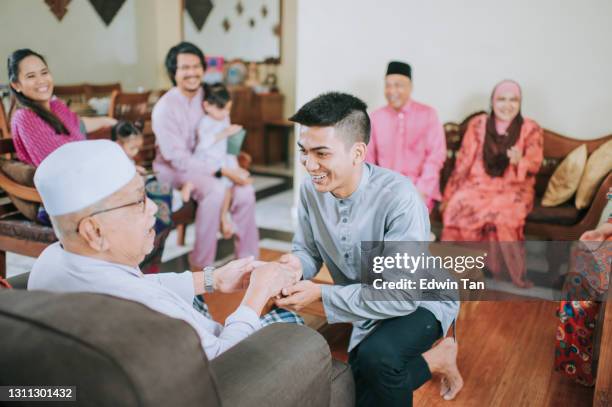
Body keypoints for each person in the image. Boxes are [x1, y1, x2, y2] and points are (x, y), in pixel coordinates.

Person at [28, 140, 301, 359]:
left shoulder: (51, 260)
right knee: (291, 321)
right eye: (138, 201)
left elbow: (137, 283)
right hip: (221, 373)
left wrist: (213, 279)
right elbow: (226, 363)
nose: (153, 208)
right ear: (94, 231)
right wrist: (257, 293)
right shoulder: (146, 310)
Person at [274, 92, 462, 406]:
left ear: (358, 152)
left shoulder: (399, 198)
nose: (309, 164)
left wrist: (321, 295)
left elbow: (401, 297)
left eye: (321, 153)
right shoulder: (310, 190)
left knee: (379, 360)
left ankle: (438, 353)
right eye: (303, 152)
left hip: (420, 299)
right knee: (360, 386)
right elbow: (307, 250)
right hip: (365, 299)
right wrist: (292, 266)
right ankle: (437, 360)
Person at [152, 42, 258, 269]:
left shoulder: (209, 96)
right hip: (173, 170)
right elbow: (177, 158)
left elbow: (226, 133)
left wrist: (233, 164)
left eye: (196, 66)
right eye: (184, 68)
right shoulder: (164, 108)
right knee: (215, 189)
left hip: (210, 164)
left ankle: (248, 263)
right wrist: (221, 171)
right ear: (174, 72)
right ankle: (201, 269)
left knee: (246, 191)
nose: (192, 73)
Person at [440, 80, 543, 288]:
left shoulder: (530, 128)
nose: (507, 105)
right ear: (493, 102)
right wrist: (450, 193)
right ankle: (459, 266)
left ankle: (496, 270)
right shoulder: (478, 124)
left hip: (514, 186)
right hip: (478, 183)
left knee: (503, 212)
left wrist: (518, 161)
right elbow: (464, 161)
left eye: (513, 100)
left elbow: (534, 163)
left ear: (520, 103)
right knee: (458, 205)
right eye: (501, 99)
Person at [7, 48, 116, 166]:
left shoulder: (56, 106)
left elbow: (79, 125)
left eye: (44, 73)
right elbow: (61, 160)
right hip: (68, 179)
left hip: (84, 171)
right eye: (31, 76)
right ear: (16, 85)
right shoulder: (24, 117)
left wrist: (110, 121)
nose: (41, 80)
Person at [366, 61, 446, 212]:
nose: (392, 91)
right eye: (388, 85)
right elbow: (368, 159)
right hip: (384, 187)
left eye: (398, 85)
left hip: (420, 187)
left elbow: (436, 156)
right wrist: (374, 190)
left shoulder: (428, 114)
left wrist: (422, 190)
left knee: (407, 213)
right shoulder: (375, 117)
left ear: (410, 87)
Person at [194, 82, 245, 239]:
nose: (225, 113)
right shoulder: (205, 122)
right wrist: (224, 133)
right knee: (223, 185)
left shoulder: (224, 119)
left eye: (228, 109)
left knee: (229, 186)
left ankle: (224, 217)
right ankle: (222, 220)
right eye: (221, 109)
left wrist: (234, 167)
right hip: (207, 164)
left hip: (222, 160)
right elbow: (202, 146)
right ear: (207, 106)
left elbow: (227, 149)